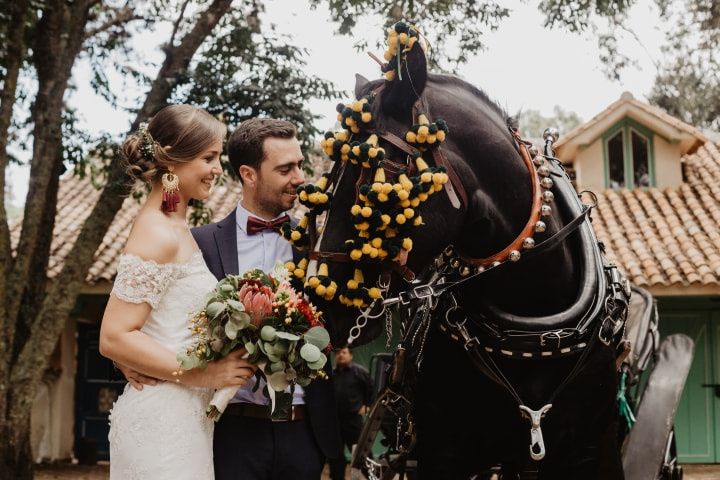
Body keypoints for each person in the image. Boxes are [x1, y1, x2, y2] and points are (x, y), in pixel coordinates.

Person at [100, 104, 258, 479]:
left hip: (183, 421)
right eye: (209, 157)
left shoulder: (174, 226)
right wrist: (207, 374)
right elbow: (113, 336)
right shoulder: (158, 230)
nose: (218, 170)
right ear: (172, 160)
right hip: (161, 426)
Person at [191, 117, 342, 479]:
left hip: (305, 433)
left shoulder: (320, 245)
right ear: (249, 174)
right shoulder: (201, 244)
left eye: (300, 165)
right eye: (286, 168)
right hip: (231, 434)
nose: (299, 177)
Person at [329, 347, 374, 480]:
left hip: (354, 421)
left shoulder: (360, 372)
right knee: (335, 456)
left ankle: (371, 477)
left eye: (344, 352)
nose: (340, 355)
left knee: (362, 455)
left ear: (351, 355)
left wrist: (368, 407)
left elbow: (373, 389)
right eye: (337, 353)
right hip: (335, 422)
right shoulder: (330, 373)